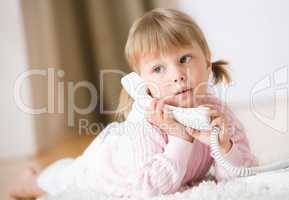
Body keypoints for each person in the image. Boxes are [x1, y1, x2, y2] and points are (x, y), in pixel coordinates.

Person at [9, 8, 258, 199]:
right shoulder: (145, 124)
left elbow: (243, 176)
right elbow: (148, 190)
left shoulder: (218, 115)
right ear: (142, 82)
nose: (176, 75)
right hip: (106, 163)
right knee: (66, 177)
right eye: (158, 68)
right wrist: (179, 139)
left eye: (184, 59)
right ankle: (28, 180)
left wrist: (225, 148)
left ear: (206, 61)